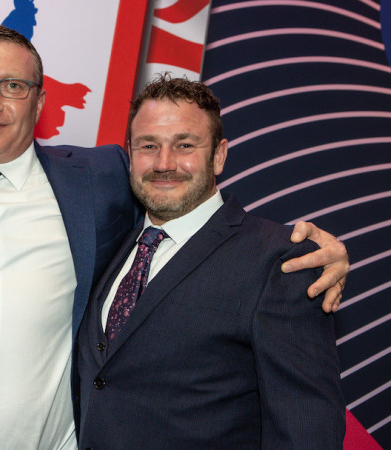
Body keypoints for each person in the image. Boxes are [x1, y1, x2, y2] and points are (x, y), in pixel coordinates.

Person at [0, 26, 348, 449]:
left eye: (13, 85)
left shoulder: (98, 179)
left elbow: (200, 217)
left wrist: (322, 252)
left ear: (40, 101)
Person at [76, 75, 346, 448]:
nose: (164, 163)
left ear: (218, 155)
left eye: (184, 145)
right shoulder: (110, 240)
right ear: (130, 154)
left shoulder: (280, 260)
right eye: (149, 145)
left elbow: (306, 426)